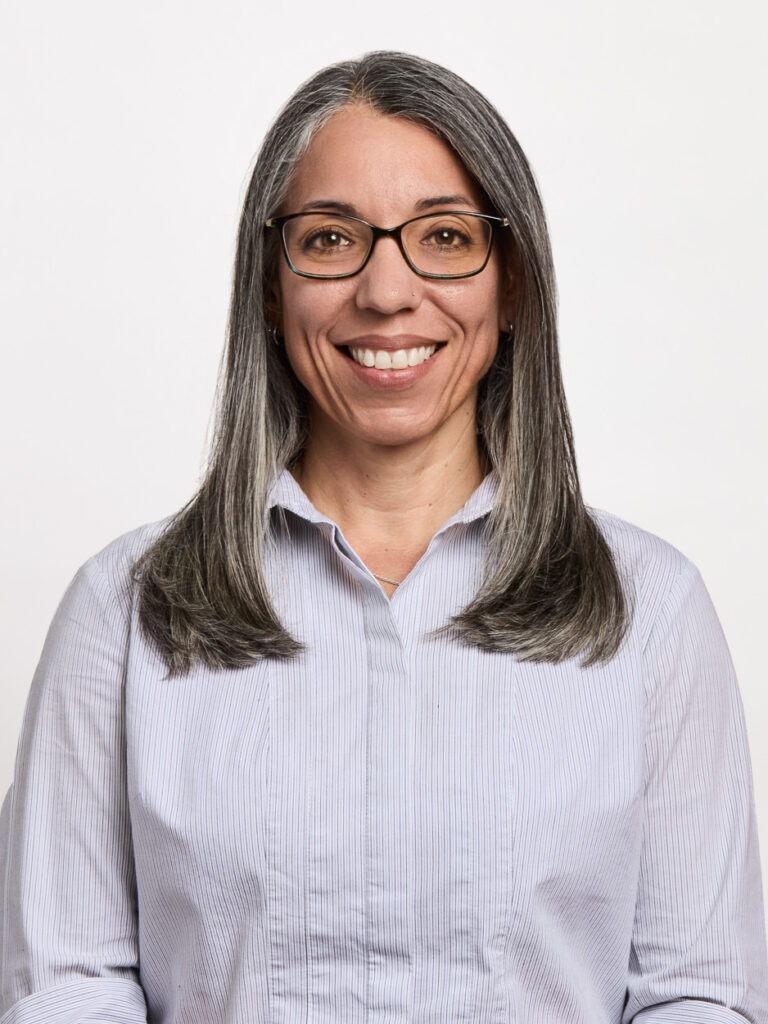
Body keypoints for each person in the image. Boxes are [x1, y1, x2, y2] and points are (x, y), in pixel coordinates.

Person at [1, 49, 766, 1024]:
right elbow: (66, 985)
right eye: (330, 240)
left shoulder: (653, 613)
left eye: (444, 236)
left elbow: (699, 992)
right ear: (271, 289)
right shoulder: (121, 611)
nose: (388, 290)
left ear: (514, 283)